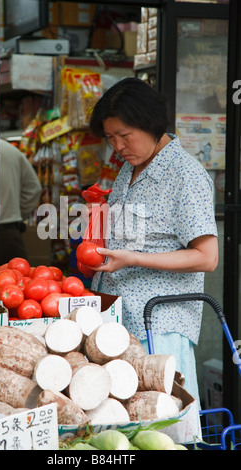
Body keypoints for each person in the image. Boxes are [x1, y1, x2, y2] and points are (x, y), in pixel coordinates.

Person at [88, 77, 218, 405]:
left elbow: (206, 257)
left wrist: (131, 258)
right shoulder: (128, 169)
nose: (117, 146)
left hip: (158, 323)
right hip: (119, 321)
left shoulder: (184, 175)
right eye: (111, 138)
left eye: (125, 136)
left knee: (165, 421)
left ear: (150, 124)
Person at [0, 138, 42, 265]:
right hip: (8, 229)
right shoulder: (11, 150)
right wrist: (16, 213)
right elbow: (34, 188)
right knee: (18, 279)